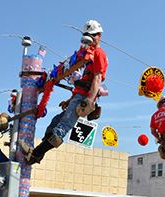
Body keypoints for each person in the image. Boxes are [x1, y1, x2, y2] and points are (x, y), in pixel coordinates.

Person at [20, 20, 108, 165]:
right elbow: (82, 83)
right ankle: (39, 153)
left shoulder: (99, 53)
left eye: (92, 35)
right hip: (79, 95)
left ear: (99, 35)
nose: (90, 38)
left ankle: (35, 154)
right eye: (87, 35)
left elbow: (97, 78)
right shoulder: (90, 53)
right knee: (55, 123)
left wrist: (89, 100)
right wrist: (69, 100)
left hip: (85, 96)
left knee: (63, 127)